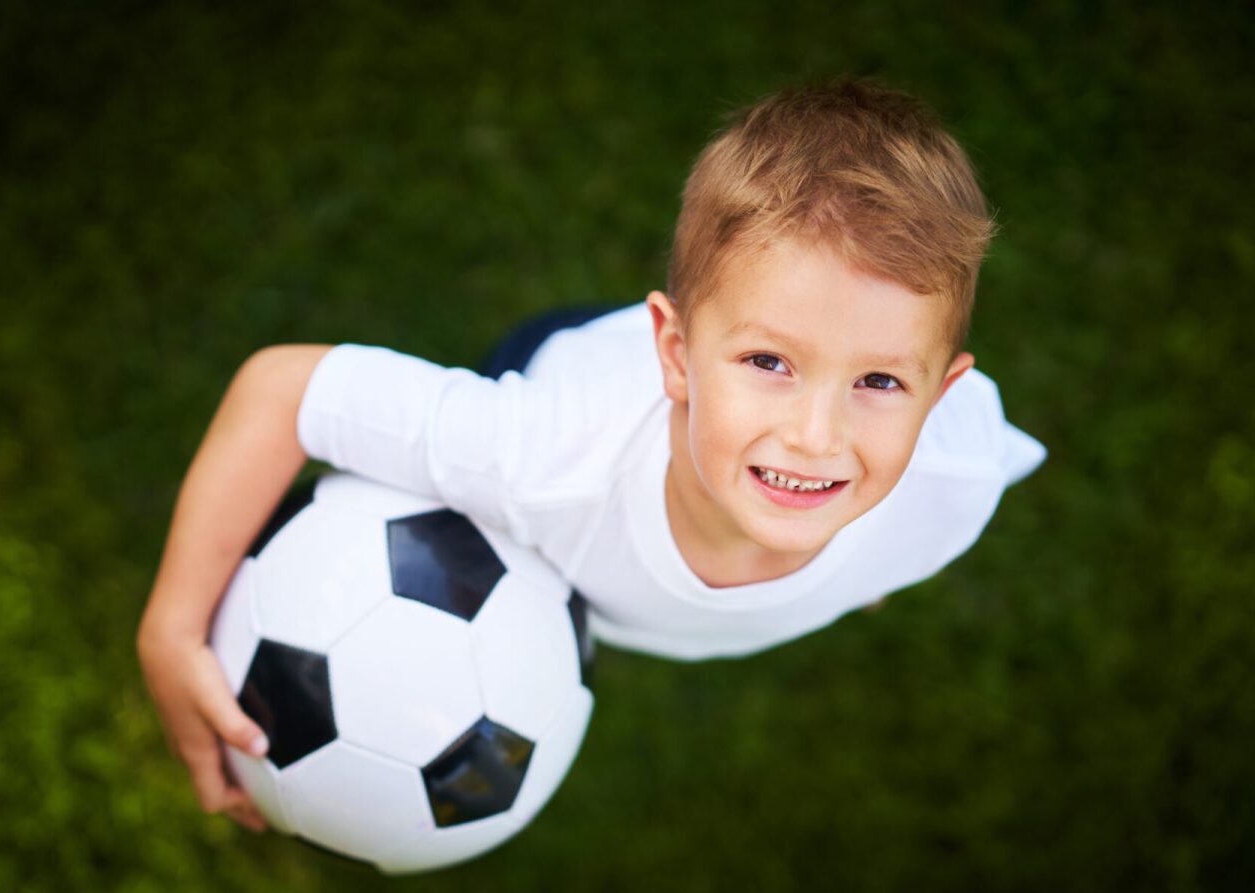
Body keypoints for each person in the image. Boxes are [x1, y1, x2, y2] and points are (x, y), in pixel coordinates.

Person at [137, 79, 1046, 832]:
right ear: (677, 354)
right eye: (769, 362)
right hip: (569, 399)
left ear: (944, 392)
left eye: (881, 383)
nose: (818, 435)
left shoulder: (953, 481)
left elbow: (908, 502)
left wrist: (866, 571)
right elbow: (285, 391)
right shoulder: (534, 455)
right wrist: (173, 627)